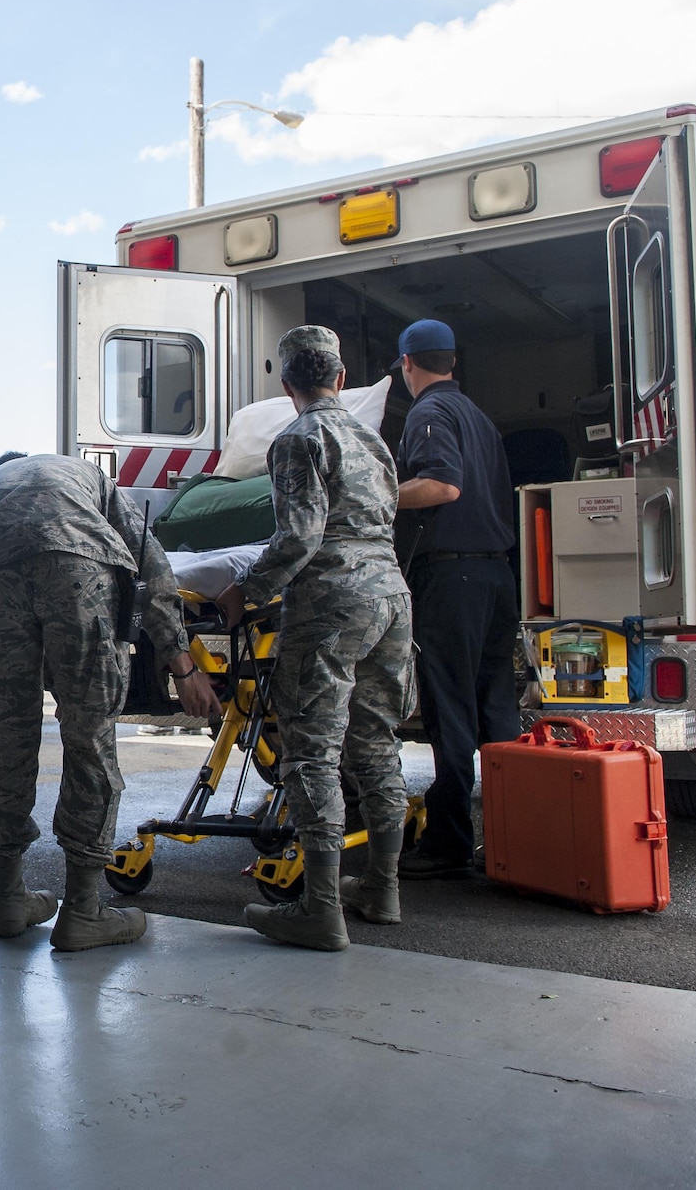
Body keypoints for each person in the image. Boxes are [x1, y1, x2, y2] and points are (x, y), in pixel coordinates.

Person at [0, 451, 222, 951]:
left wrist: (13, 670)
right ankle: (83, 910)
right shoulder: (82, 476)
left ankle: (8, 899)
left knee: (10, 731)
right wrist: (181, 663)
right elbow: (150, 562)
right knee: (88, 735)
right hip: (78, 563)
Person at [215, 326, 411, 952]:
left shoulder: (298, 438)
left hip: (332, 600)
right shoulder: (371, 438)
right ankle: (382, 890)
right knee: (376, 742)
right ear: (341, 378)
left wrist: (247, 590)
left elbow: (299, 536)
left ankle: (320, 911)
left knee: (311, 750)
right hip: (390, 595)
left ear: (286, 384)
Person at [390, 319, 522, 879]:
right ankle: (516, 838)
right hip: (496, 578)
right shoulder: (479, 418)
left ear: (407, 365)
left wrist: (379, 494)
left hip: (453, 581)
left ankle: (449, 844)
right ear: (454, 362)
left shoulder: (429, 413)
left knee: (452, 714)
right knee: (497, 712)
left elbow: (442, 485)